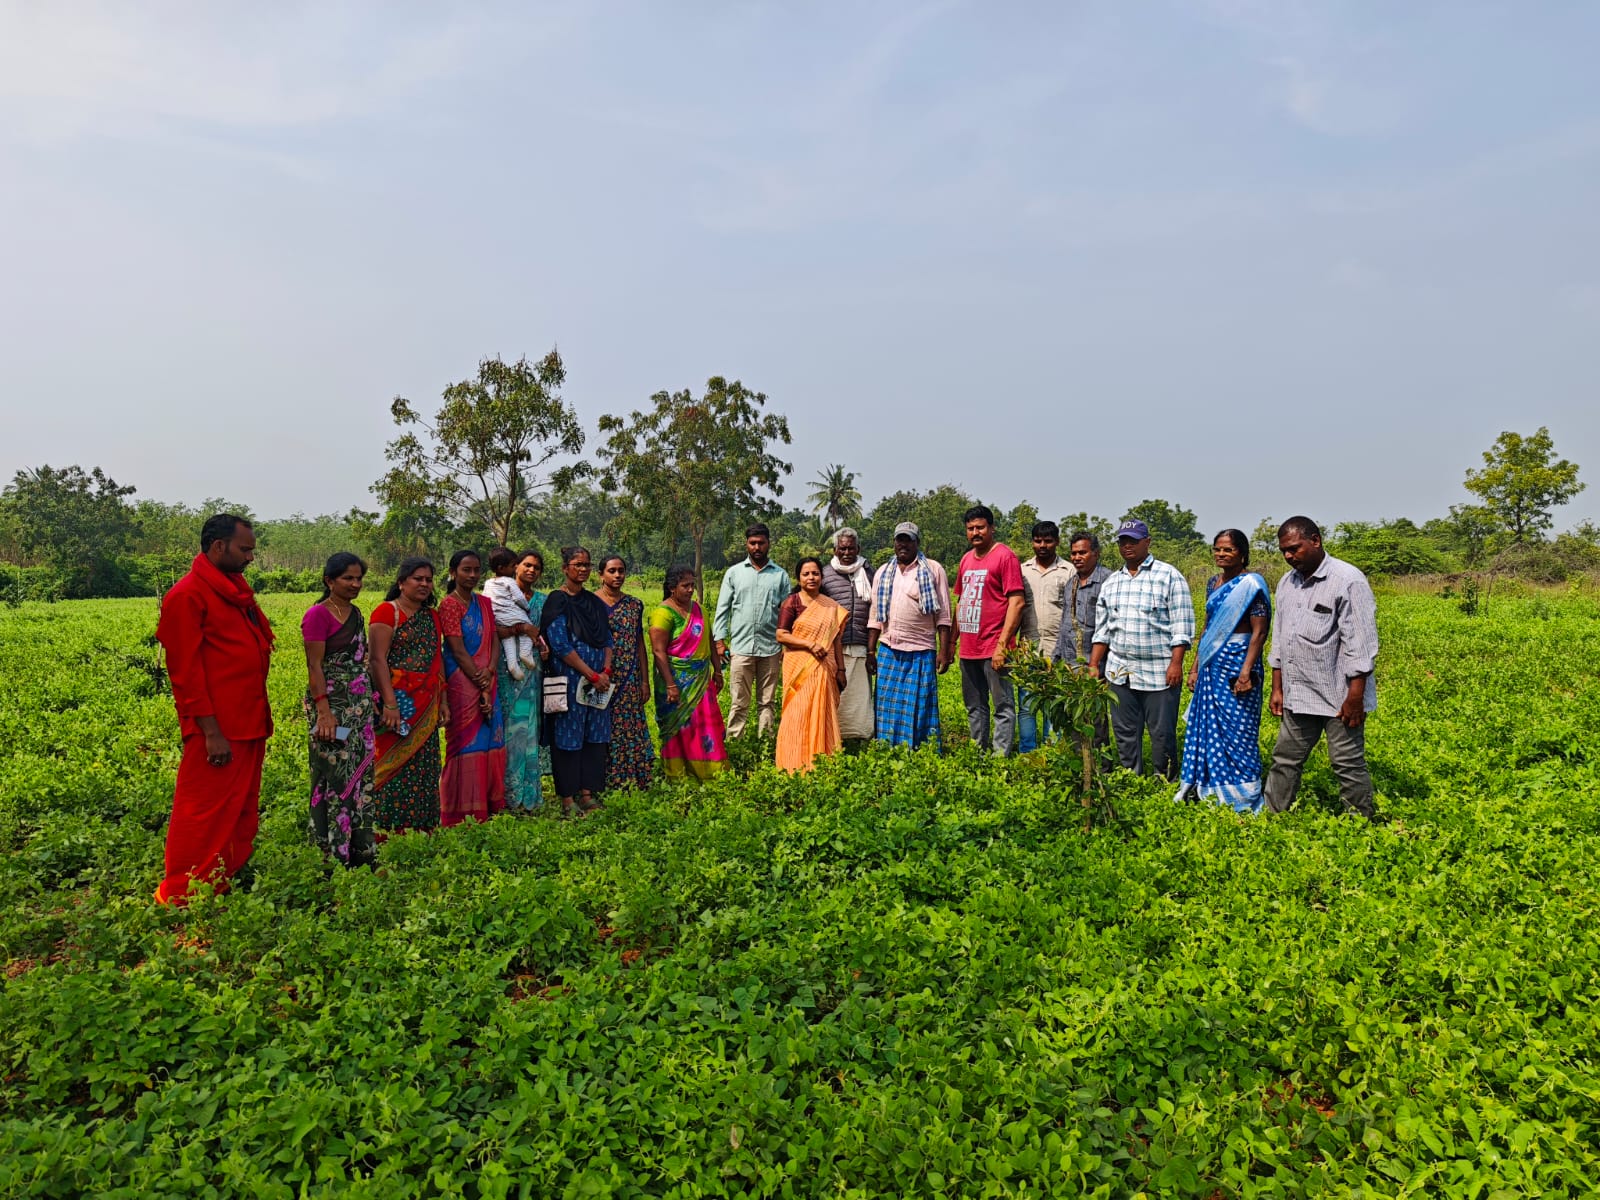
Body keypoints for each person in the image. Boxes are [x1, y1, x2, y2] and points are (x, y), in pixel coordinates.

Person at [154, 513, 273, 904]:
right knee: (202, 813)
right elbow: (185, 675)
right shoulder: (187, 596)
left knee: (240, 807)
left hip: (249, 719)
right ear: (218, 547)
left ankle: (223, 877)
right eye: (245, 549)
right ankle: (183, 893)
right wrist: (210, 733)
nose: (250, 558)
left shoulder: (236, 592)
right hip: (218, 729)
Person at [1264, 516, 1380, 819]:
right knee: (1285, 759)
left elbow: (1361, 645)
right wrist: (1278, 688)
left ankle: (1361, 824)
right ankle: (1272, 817)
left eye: (1295, 548)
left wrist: (1355, 698)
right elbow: (1280, 639)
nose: (1289, 556)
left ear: (1315, 541)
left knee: (1347, 763)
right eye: (1284, 552)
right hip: (1299, 692)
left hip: (1340, 695)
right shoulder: (1286, 583)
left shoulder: (1347, 581)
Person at [1088, 519, 1195, 779]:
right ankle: (1130, 779)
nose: (1127, 546)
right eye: (1123, 541)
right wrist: (1094, 665)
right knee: (1124, 733)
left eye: (1133, 541)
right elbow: (1102, 630)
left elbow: (1181, 626)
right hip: (1120, 671)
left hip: (1159, 671)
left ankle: (1164, 781)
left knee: (1162, 734)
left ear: (1147, 542)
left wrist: (1176, 664)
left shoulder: (1169, 576)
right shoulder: (1112, 582)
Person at [1175, 530, 1271, 813]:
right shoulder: (1212, 583)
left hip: (1239, 662)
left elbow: (1259, 631)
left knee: (1238, 728)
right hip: (1211, 663)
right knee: (1208, 727)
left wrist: (1245, 672)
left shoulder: (1252, 584)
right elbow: (1208, 627)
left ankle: (1243, 793)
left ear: (1242, 553)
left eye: (1228, 550)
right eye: (1217, 549)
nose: (1221, 554)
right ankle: (1208, 787)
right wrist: (1194, 667)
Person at [300, 552, 378, 867]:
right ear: (329, 580)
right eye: (348, 578)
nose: (355, 584)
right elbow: (314, 665)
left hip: (359, 706)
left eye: (359, 578)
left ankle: (362, 850)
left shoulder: (357, 614)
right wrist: (324, 712)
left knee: (362, 774)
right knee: (334, 771)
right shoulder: (318, 615)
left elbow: (366, 660)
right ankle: (333, 850)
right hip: (331, 704)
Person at [370, 558, 445, 833]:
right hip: (397, 704)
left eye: (428, 579)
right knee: (391, 765)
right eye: (418, 579)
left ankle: (423, 828)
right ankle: (387, 829)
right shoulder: (387, 612)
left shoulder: (432, 616)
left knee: (424, 767)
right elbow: (377, 660)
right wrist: (389, 703)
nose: (424, 584)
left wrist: (443, 701)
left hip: (426, 704)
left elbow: (437, 660)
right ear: (401, 582)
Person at [867, 522, 954, 750]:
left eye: (908, 540)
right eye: (899, 540)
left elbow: (944, 615)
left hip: (921, 649)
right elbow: (875, 616)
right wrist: (870, 651)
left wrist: (944, 651)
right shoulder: (883, 573)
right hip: (888, 648)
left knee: (920, 704)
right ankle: (887, 748)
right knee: (886, 704)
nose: (903, 544)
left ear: (917, 543)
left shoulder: (933, 570)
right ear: (894, 543)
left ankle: (922, 749)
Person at [542, 545, 614, 816]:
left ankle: (587, 792)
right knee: (568, 737)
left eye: (586, 564)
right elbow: (560, 645)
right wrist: (591, 674)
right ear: (565, 568)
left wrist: (605, 671)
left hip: (599, 684)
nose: (582, 569)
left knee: (594, 736)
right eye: (577, 564)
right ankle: (567, 797)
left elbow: (607, 639)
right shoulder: (557, 601)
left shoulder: (594, 602)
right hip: (571, 681)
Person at [438, 550, 506, 827]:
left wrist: (489, 673)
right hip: (461, 681)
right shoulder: (449, 605)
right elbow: (455, 647)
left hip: (488, 677)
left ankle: (490, 803)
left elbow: (494, 641)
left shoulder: (485, 604)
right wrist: (479, 680)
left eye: (476, 570)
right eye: (466, 570)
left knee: (491, 737)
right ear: (453, 572)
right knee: (465, 741)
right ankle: (461, 809)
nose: (472, 575)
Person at [955, 504, 1026, 755]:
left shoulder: (1005, 557)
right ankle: (978, 752)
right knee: (974, 706)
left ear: (992, 528)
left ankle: (1000, 758)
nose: (975, 532)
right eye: (971, 528)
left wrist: (1002, 646)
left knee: (1002, 705)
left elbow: (1016, 603)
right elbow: (961, 601)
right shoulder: (966, 559)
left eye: (980, 527)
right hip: (969, 648)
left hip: (994, 646)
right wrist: (952, 643)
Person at [650, 564, 728, 781]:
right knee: (679, 729)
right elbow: (658, 652)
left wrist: (718, 671)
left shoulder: (699, 610)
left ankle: (710, 772)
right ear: (672, 588)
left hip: (701, 680)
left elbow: (710, 641)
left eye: (692, 585)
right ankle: (678, 774)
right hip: (676, 680)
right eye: (685, 586)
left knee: (704, 726)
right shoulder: (662, 614)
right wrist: (671, 685)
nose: (690, 590)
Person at [713, 523, 789, 739]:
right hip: (741, 647)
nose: (757, 547)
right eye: (752, 543)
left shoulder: (780, 575)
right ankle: (735, 742)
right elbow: (723, 608)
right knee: (738, 701)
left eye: (761, 543)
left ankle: (764, 743)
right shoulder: (734, 573)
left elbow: (786, 614)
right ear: (746, 545)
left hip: (771, 648)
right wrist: (719, 641)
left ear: (768, 544)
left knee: (767, 701)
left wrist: (785, 645)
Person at [775, 557, 849, 772]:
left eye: (815, 573)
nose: (811, 578)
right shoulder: (792, 602)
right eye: (806, 574)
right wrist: (809, 644)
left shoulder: (830, 606)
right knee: (796, 714)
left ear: (821, 577)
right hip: (798, 666)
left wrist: (841, 670)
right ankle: (792, 763)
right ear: (798, 578)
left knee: (822, 711)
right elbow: (781, 635)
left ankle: (823, 762)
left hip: (826, 667)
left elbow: (836, 640)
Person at [495, 549, 547, 814]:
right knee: (509, 730)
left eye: (536, 568)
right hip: (506, 671)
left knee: (529, 732)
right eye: (527, 565)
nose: (531, 570)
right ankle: (506, 795)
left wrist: (542, 644)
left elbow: (542, 632)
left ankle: (528, 796)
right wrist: (520, 629)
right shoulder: (500, 593)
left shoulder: (542, 601)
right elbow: (494, 628)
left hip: (533, 671)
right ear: (516, 567)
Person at [597, 554, 654, 791]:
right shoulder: (590, 602)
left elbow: (639, 642)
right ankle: (601, 779)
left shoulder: (634, 605)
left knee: (629, 727)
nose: (618, 575)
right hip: (600, 676)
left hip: (629, 675)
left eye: (621, 570)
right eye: (612, 571)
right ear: (601, 575)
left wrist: (644, 680)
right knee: (601, 726)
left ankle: (632, 777)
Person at [1016, 520, 1074, 751]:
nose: (1042, 545)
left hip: (1057, 649)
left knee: (1054, 705)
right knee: (1027, 705)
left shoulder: (1068, 570)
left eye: (1048, 541)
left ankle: (1052, 753)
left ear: (1057, 542)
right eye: (1038, 541)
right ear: (1032, 542)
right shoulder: (1022, 570)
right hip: (1027, 648)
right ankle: (1028, 752)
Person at [820, 528, 876, 744]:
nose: (846, 553)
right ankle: (834, 737)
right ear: (835, 550)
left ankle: (861, 736)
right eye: (842, 548)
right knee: (836, 695)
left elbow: (876, 612)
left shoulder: (869, 573)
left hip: (861, 645)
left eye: (850, 548)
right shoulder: (824, 575)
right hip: (835, 647)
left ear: (858, 549)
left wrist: (872, 649)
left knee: (860, 697)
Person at [483, 547, 540, 682]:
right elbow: (519, 598)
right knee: (527, 627)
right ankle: (525, 653)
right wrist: (526, 607)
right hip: (512, 615)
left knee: (508, 641)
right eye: (514, 565)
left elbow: (487, 601)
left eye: (536, 567)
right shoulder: (509, 581)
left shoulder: (488, 583)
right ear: (502, 568)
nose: (531, 570)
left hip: (498, 617)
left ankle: (513, 665)